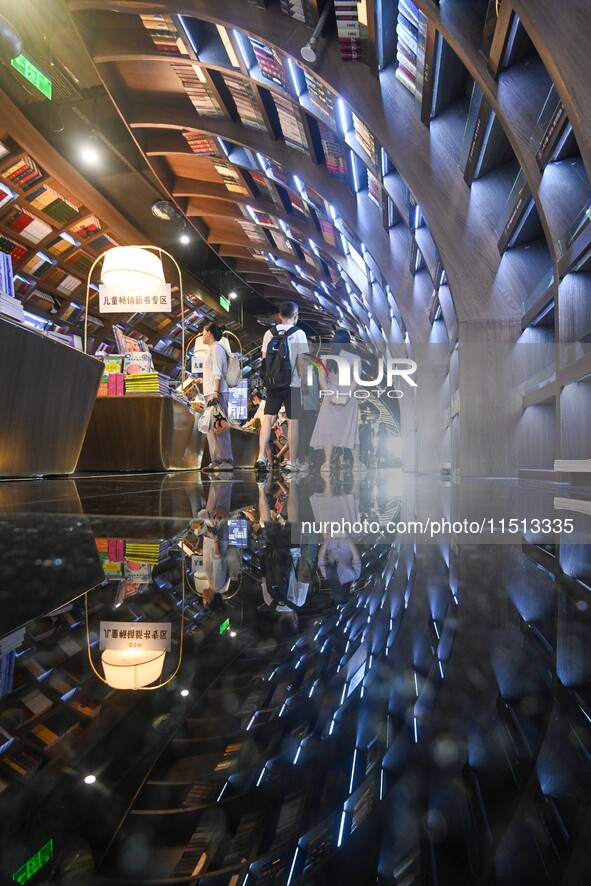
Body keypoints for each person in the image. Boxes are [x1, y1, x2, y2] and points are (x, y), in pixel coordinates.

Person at [256, 301, 309, 474]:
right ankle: (292, 462)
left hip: (273, 383)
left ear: (280, 315)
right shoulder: (299, 333)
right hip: (292, 383)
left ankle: (261, 457)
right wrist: (304, 382)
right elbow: (302, 362)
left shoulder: (268, 333)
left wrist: (267, 381)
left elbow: (265, 360)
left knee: (268, 419)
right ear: (296, 316)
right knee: (293, 422)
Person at [309, 329, 365, 475]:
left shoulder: (327, 358)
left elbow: (321, 378)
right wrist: (347, 396)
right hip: (349, 397)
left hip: (330, 395)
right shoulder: (355, 358)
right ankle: (356, 463)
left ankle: (327, 463)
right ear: (348, 341)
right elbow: (356, 380)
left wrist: (328, 394)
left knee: (329, 430)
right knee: (350, 429)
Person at [200, 321, 233, 472]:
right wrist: (201, 381)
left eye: (202, 332)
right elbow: (211, 373)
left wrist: (216, 392)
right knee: (211, 428)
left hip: (216, 393)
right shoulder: (211, 349)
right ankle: (215, 460)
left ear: (209, 333)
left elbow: (218, 372)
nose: (201, 335)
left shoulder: (218, 348)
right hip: (210, 392)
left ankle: (226, 460)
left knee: (220, 426)